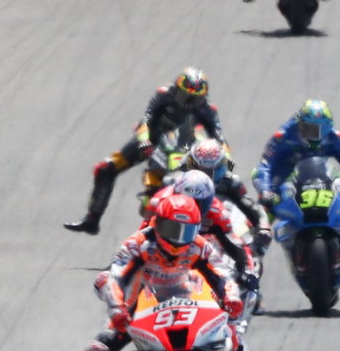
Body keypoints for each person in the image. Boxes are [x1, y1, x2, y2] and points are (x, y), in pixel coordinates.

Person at [83, 192, 249, 351]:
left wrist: (230, 295)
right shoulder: (138, 244)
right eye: (173, 229)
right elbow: (114, 275)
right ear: (158, 223)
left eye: (187, 231)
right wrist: (116, 307)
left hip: (189, 297)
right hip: (140, 307)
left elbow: (221, 272)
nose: (179, 239)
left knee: (226, 314)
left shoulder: (199, 246)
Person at [64, 66, 223, 235]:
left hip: (182, 151)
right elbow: (146, 120)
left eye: (195, 100)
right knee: (105, 168)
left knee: (199, 184)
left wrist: (224, 161)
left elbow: (220, 139)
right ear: (176, 90)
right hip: (151, 142)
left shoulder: (208, 110)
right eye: (185, 97)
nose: (188, 104)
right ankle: (92, 219)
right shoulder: (163, 95)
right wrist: (144, 142)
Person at [151, 170, 262, 351]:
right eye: (187, 199)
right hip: (165, 255)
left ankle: (234, 332)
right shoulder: (160, 204)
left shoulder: (217, 212)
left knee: (244, 279)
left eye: (199, 202)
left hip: (203, 253)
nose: (192, 206)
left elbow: (236, 247)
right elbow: (140, 238)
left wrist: (245, 271)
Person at [253, 99, 340, 267]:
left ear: (327, 128)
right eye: (305, 127)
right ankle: (254, 250)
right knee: (266, 206)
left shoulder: (335, 138)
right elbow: (265, 165)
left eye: (315, 130)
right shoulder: (283, 136)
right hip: (285, 175)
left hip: (320, 173)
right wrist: (265, 190)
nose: (309, 133)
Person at [182, 137, 273, 254]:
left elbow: (250, 206)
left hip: (218, 228)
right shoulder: (179, 178)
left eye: (213, 169)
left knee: (251, 248)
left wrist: (263, 227)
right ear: (193, 164)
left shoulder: (231, 182)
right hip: (184, 225)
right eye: (203, 169)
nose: (208, 175)